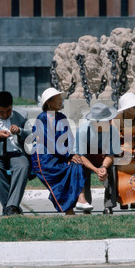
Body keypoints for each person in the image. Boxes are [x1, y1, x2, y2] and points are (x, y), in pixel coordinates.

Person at [30, 88, 88, 216]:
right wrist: (67, 155)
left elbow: (69, 138)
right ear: (49, 103)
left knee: (77, 164)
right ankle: (69, 211)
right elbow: (49, 142)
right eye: (59, 99)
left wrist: (72, 154)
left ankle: (81, 199)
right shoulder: (42, 118)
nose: (61, 101)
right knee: (58, 184)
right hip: (45, 159)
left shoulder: (62, 117)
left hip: (61, 156)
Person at [76, 102, 121, 215]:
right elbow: (82, 157)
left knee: (113, 168)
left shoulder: (113, 131)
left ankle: (109, 205)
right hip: (86, 159)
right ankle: (86, 203)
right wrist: (96, 170)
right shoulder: (82, 131)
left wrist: (104, 167)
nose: (111, 122)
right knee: (80, 168)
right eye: (108, 120)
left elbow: (111, 154)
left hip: (103, 158)